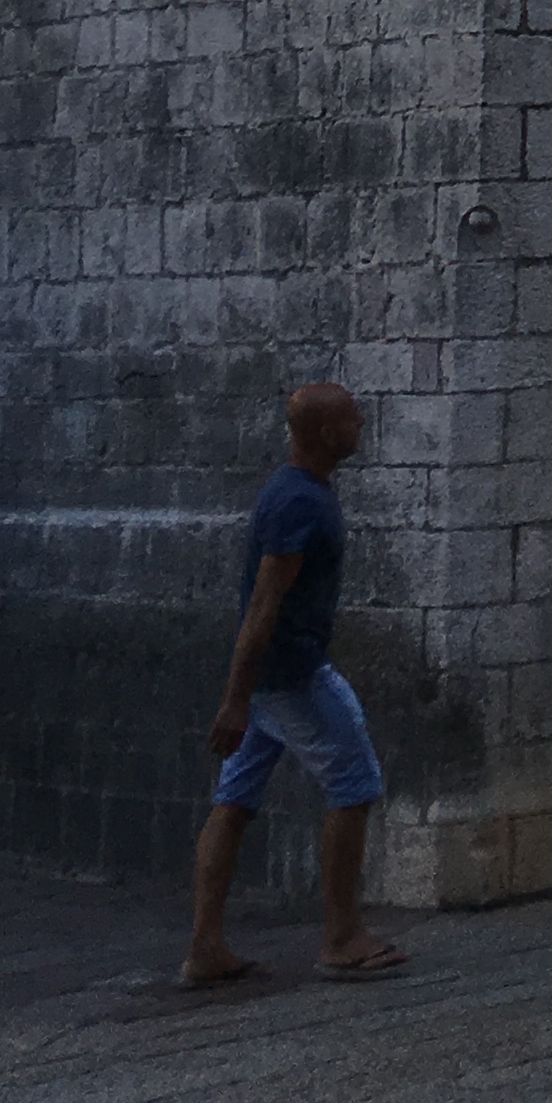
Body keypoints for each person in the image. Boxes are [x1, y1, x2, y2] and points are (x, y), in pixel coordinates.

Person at [184, 379, 406, 985]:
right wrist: (236, 699)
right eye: (353, 420)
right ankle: (341, 936)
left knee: (234, 799)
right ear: (327, 434)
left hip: (269, 680)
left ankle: (205, 947)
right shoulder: (300, 503)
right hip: (291, 676)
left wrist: (244, 694)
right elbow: (263, 606)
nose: (362, 426)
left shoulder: (293, 491)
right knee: (355, 782)